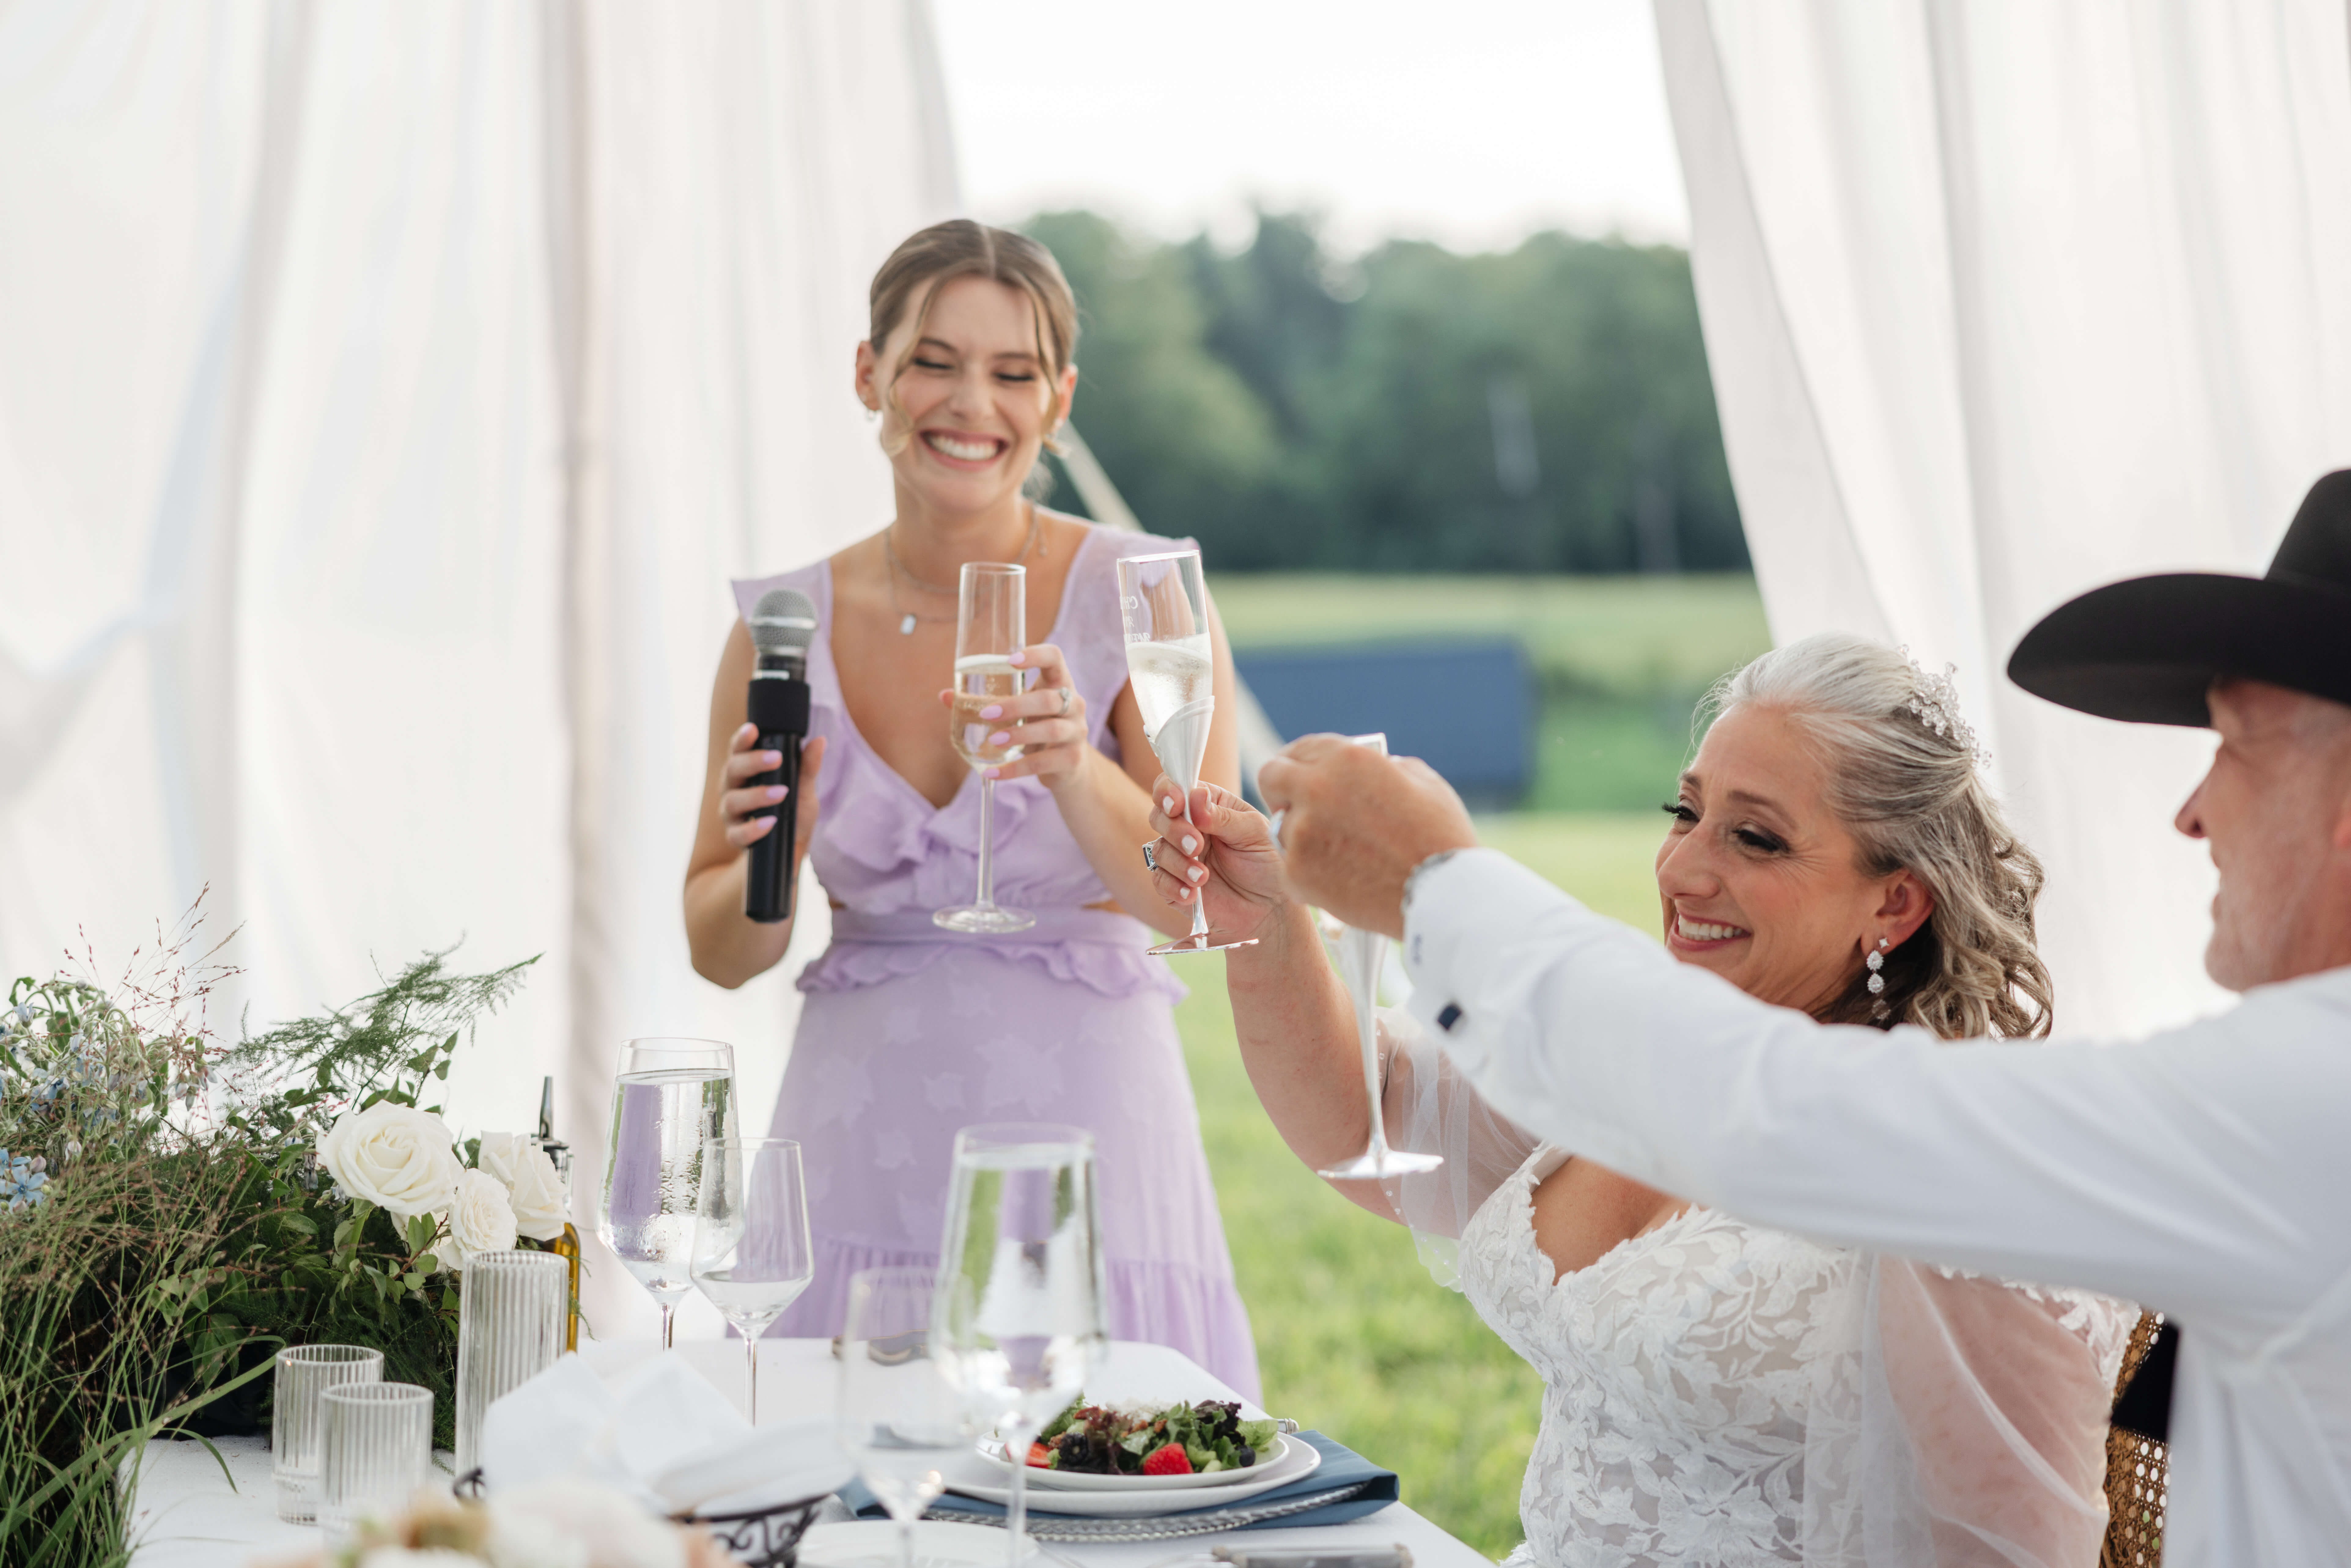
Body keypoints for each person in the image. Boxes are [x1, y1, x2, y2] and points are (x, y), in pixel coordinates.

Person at [1253, 469, 2351, 1567]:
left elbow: (1789, 1116)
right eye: (1685, 812)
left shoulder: (2301, 1099)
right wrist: (1270, 912)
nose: (2192, 810)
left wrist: (1437, 885)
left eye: (2236, 748)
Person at [1146, 634, 2131, 1564]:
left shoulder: (1958, 1182)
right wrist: (1265, 922)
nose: (1683, 869)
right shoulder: (1640, 1060)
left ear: (1895, 901)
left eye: (1755, 838)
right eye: (1683, 812)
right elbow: (1375, 1114)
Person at [683, 219, 1257, 1396]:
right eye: (933, 362)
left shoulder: (1150, 597)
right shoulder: (779, 625)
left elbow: (1198, 907)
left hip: (1087, 1143)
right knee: (845, 1470)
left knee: (1100, 1462)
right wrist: (772, 855)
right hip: (854, 1147)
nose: (971, 405)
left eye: (1013, 372)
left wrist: (1073, 765)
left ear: (1059, 398)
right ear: (869, 374)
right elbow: (722, 953)